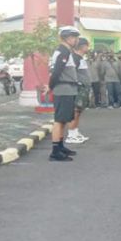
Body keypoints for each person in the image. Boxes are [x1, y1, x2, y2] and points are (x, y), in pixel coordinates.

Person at [47, 26, 80, 161]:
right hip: (63, 89)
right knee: (59, 120)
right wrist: (50, 87)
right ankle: (55, 151)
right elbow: (56, 73)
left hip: (67, 89)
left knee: (63, 119)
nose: (76, 40)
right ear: (68, 38)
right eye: (75, 37)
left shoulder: (65, 51)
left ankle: (60, 146)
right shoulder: (63, 52)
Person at [66, 37, 91, 145]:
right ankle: (71, 135)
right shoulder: (75, 58)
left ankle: (75, 132)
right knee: (75, 111)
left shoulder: (80, 58)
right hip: (78, 89)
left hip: (83, 89)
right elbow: (71, 73)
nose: (88, 48)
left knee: (78, 111)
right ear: (83, 46)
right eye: (87, 46)